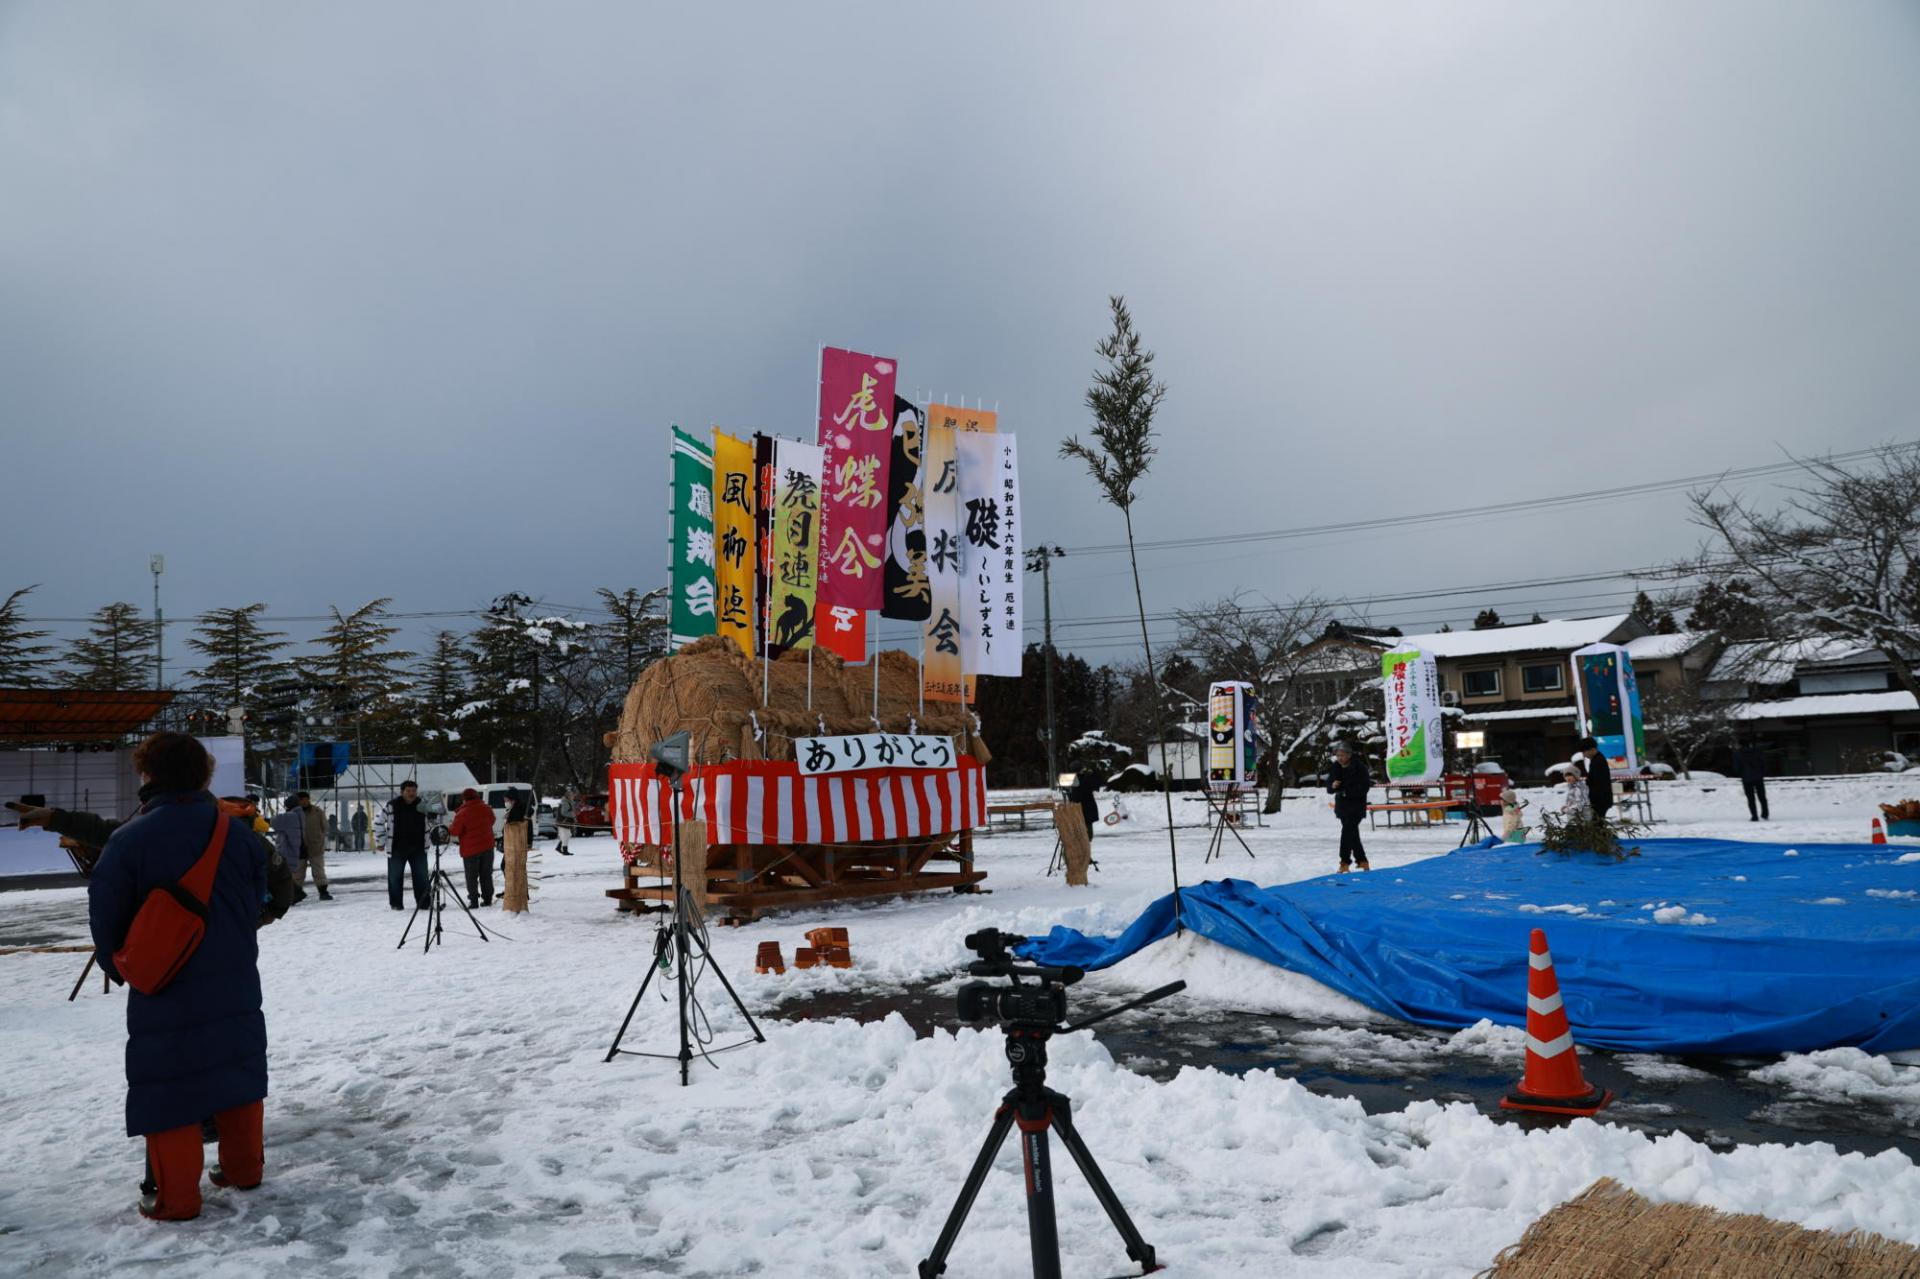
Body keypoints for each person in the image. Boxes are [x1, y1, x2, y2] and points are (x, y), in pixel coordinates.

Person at [87, 732, 269, 1222]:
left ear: (147, 774)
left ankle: (176, 1200)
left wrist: (118, 965)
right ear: (204, 774)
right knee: (238, 1067)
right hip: (234, 975)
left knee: (169, 1085)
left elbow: (106, 919)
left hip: (165, 982)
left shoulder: (130, 838)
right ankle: (245, 1170)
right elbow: (259, 900)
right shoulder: (238, 833)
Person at [1324, 745, 1371, 872]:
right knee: (1352, 834)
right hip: (1342, 806)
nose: (1339, 758)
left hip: (1356, 806)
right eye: (1338, 755)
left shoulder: (1359, 767)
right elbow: (1329, 787)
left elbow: (1365, 787)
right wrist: (1333, 786)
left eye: (1342, 755)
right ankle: (1362, 861)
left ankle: (1344, 862)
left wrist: (1346, 792)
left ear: (1349, 755)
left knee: (1346, 833)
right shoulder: (1335, 767)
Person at [385, 781, 431, 912]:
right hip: (397, 848)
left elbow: (433, 821)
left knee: (422, 877)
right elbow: (378, 822)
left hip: (418, 848)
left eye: (414, 791)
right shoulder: (391, 805)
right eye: (408, 791)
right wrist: (381, 842)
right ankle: (396, 904)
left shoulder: (423, 805)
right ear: (402, 792)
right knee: (395, 877)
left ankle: (424, 903)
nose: (411, 793)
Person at [449, 788, 496, 908]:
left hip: (470, 850)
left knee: (471, 876)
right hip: (487, 847)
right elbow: (492, 821)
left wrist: (450, 826)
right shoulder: (487, 808)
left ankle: (474, 901)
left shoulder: (462, 813)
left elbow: (455, 831)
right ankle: (487, 899)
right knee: (486, 874)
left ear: (464, 799)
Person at [294, 792, 332, 900]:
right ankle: (296, 893)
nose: (304, 801)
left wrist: (319, 838)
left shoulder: (317, 812)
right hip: (299, 847)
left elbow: (325, 827)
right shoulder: (294, 813)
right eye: (301, 799)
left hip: (315, 846)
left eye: (306, 799)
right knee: (298, 872)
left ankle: (323, 891)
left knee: (318, 870)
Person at [1733, 739, 1770, 822]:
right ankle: (1765, 814)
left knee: (1750, 798)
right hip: (1758, 777)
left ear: (1740, 745)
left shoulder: (1738, 754)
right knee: (1762, 797)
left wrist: (1741, 774)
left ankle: (1754, 816)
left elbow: (1736, 768)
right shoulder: (1757, 751)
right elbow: (1764, 763)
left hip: (1746, 778)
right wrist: (1761, 773)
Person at [1577, 738, 1613, 821]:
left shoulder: (1598, 761)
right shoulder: (1596, 759)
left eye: (1584, 751)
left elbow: (1597, 782)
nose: (1584, 754)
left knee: (1597, 825)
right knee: (1598, 825)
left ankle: (1607, 834)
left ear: (1592, 749)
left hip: (1600, 799)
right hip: (1601, 799)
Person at [1066, 772, 1100, 838]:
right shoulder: (1086, 778)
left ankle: (1084, 841)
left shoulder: (1075, 781)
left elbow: (1074, 797)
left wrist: (1069, 794)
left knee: (1084, 829)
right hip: (1087, 808)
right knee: (1088, 828)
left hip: (1080, 809)